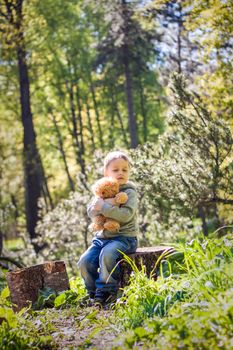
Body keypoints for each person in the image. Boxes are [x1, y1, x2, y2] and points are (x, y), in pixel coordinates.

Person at [77, 151, 139, 307]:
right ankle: (93, 294)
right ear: (106, 172)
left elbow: (125, 215)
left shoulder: (129, 192)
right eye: (116, 169)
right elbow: (91, 211)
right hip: (102, 237)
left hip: (124, 238)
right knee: (84, 261)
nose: (120, 173)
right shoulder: (102, 190)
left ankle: (107, 292)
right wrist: (100, 204)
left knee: (108, 254)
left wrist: (104, 207)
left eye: (124, 170)